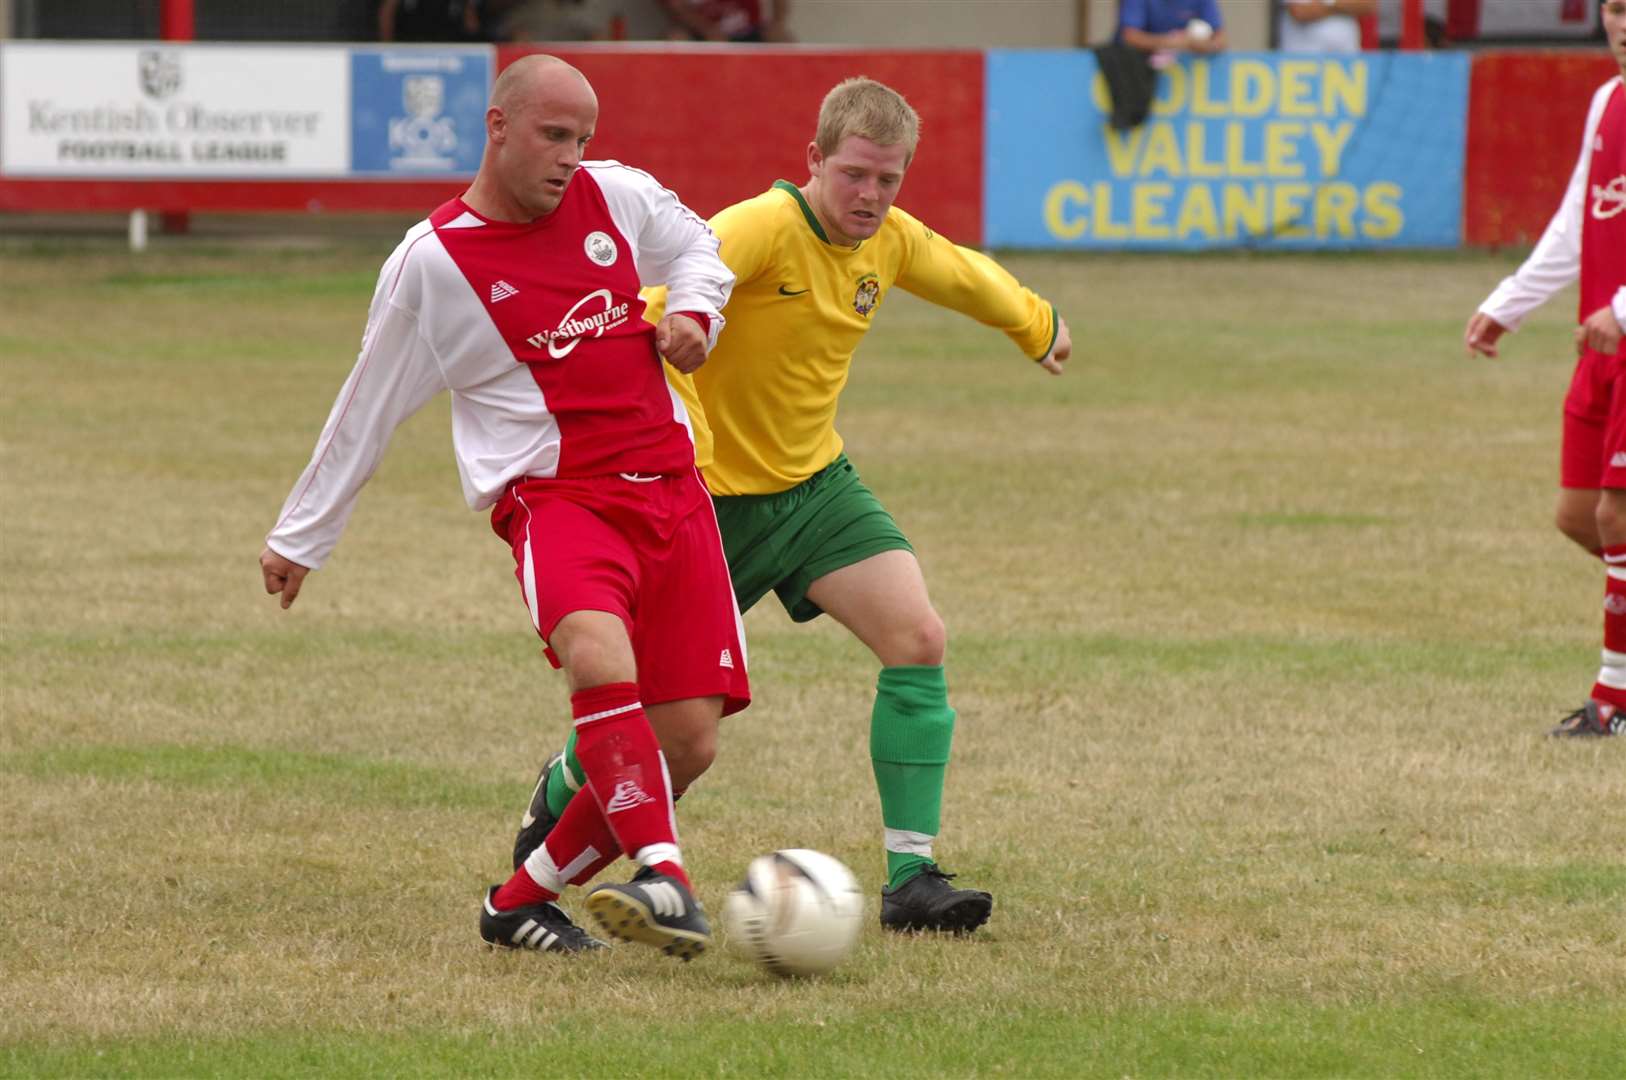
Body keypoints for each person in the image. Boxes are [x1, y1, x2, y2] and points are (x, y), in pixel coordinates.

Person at [515, 77, 1071, 933]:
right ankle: (558, 799)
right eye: (853, 175)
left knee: (917, 637)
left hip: (814, 490)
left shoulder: (886, 240)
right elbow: (653, 308)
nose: (870, 198)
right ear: (814, 159)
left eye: (889, 181)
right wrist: (681, 396)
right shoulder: (759, 228)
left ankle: (912, 878)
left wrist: (1036, 325)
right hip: (706, 508)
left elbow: (960, 274)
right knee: (659, 719)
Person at [259, 55, 749, 958]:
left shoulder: (618, 196)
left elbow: (697, 246)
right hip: (557, 500)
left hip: (674, 493)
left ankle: (519, 900)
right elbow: (365, 406)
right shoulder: (431, 263)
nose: (570, 158)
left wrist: (696, 313)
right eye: (552, 136)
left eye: (582, 140)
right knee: (597, 657)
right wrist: (301, 536)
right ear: (497, 128)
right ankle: (665, 875)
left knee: (688, 744)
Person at [1463, 0, 1626, 738]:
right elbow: (1577, 219)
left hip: (1618, 326)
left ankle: (1613, 703)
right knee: (1576, 515)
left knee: (1616, 516)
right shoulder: (1607, 100)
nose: (1623, 24)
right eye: (1617, 9)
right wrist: (1511, 302)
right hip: (1600, 344)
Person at [1116, 0, 1227, 56]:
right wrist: (1169, 42)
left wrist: (1203, 46)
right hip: (1138, 69)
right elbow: (1129, 36)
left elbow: (1221, 39)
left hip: (1185, 76)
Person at [658, 0, 792, 42]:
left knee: (780, 37)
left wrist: (777, 22)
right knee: (676, 38)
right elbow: (675, 8)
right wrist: (707, 29)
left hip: (750, 30)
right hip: (702, 35)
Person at [1278, 0, 1376, 53]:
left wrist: (1327, 3)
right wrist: (1345, 6)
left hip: (1346, 60)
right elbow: (1301, 12)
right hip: (1305, 60)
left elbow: (1368, 5)